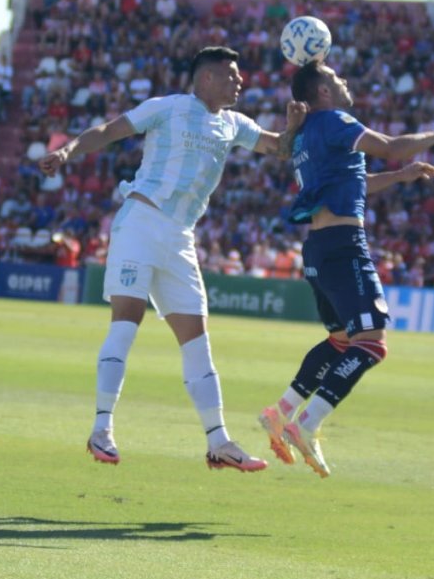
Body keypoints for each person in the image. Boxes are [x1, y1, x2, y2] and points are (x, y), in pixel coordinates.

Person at [39, 46, 289, 472]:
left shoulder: (234, 124)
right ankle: (102, 428)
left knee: (197, 341)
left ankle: (219, 442)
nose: (240, 82)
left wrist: (297, 124)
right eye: (231, 75)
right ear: (206, 78)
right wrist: (67, 152)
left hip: (180, 238)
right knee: (125, 323)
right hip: (141, 221)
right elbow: (107, 130)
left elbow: (279, 148)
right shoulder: (168, 108)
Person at [257, 60, 434, 477]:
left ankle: (280, 411)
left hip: (319, 248)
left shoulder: (307, 135)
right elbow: (393, 145)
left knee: (340, 341)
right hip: (344, 246)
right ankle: (307, 423)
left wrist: (400, 176)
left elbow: (351, 183)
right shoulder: (337, 119)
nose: (343, 82)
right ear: (323, 91)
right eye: (336, 78)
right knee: (371, 343)